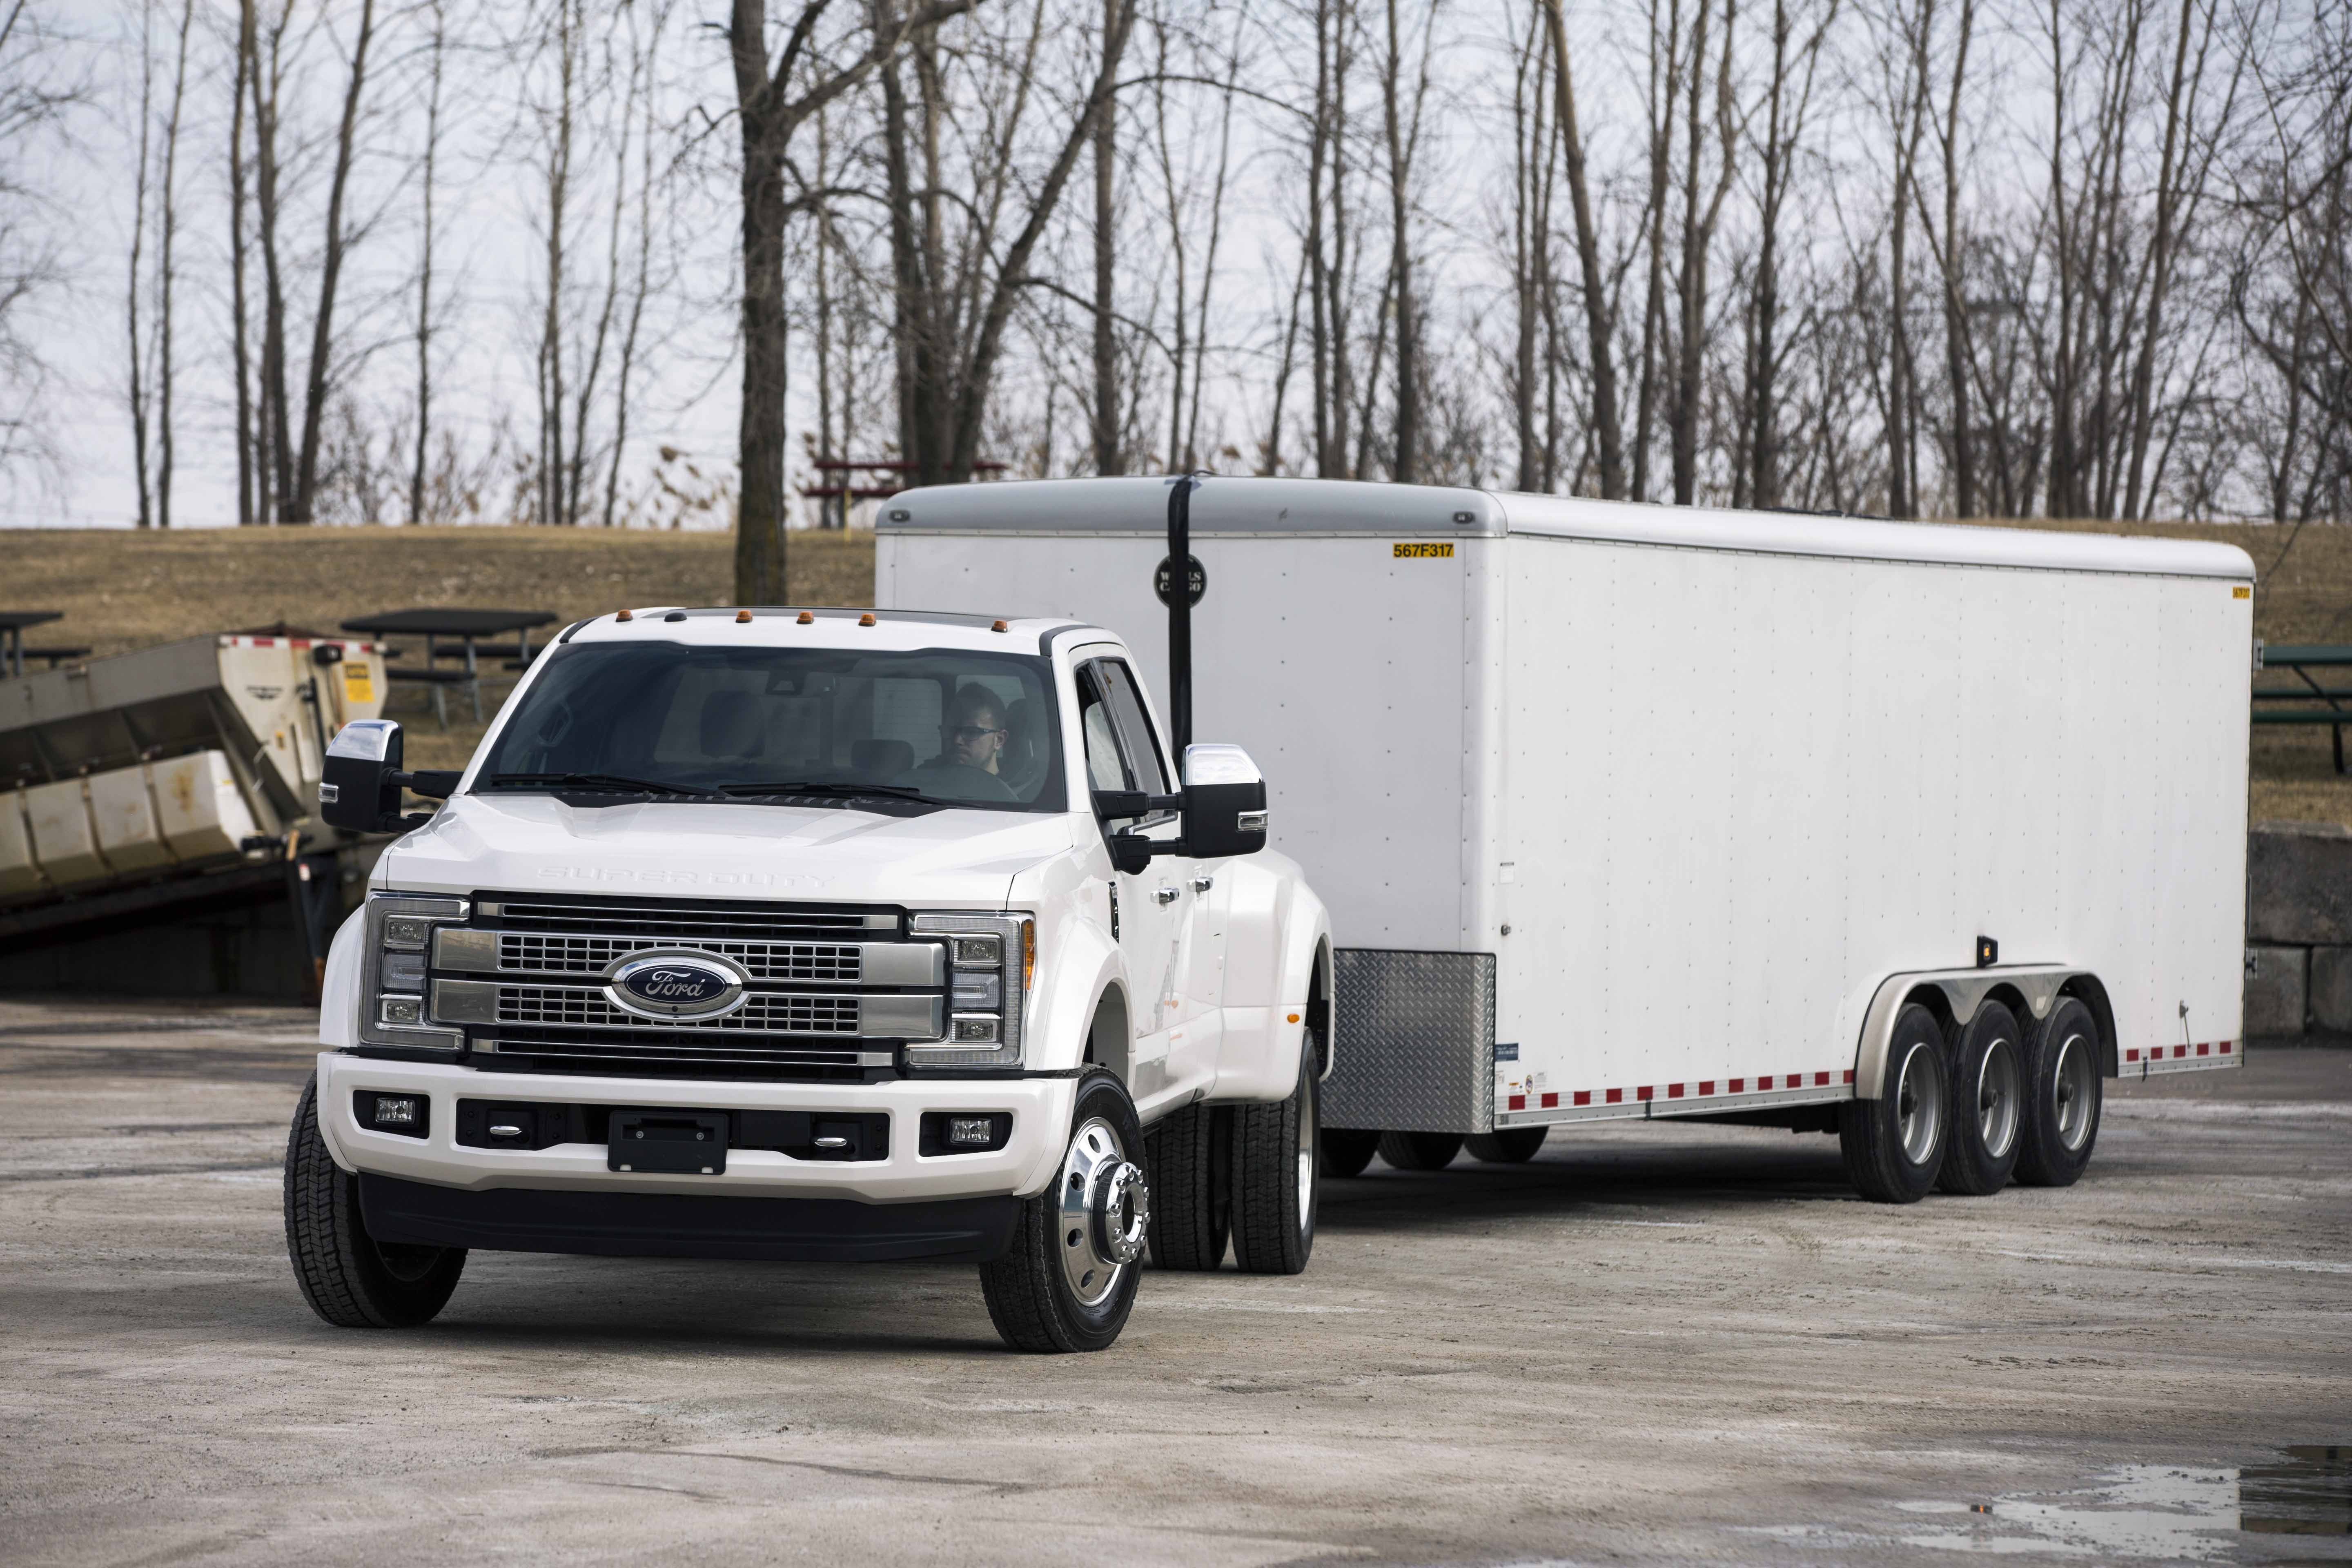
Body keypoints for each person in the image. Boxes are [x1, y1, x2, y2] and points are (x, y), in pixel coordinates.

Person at [906, 683, 1017, 800]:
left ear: (999, 740)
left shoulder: (1016, 794)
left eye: (972, 732)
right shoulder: (919, 784)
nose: (957, 740)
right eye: (951, 730)